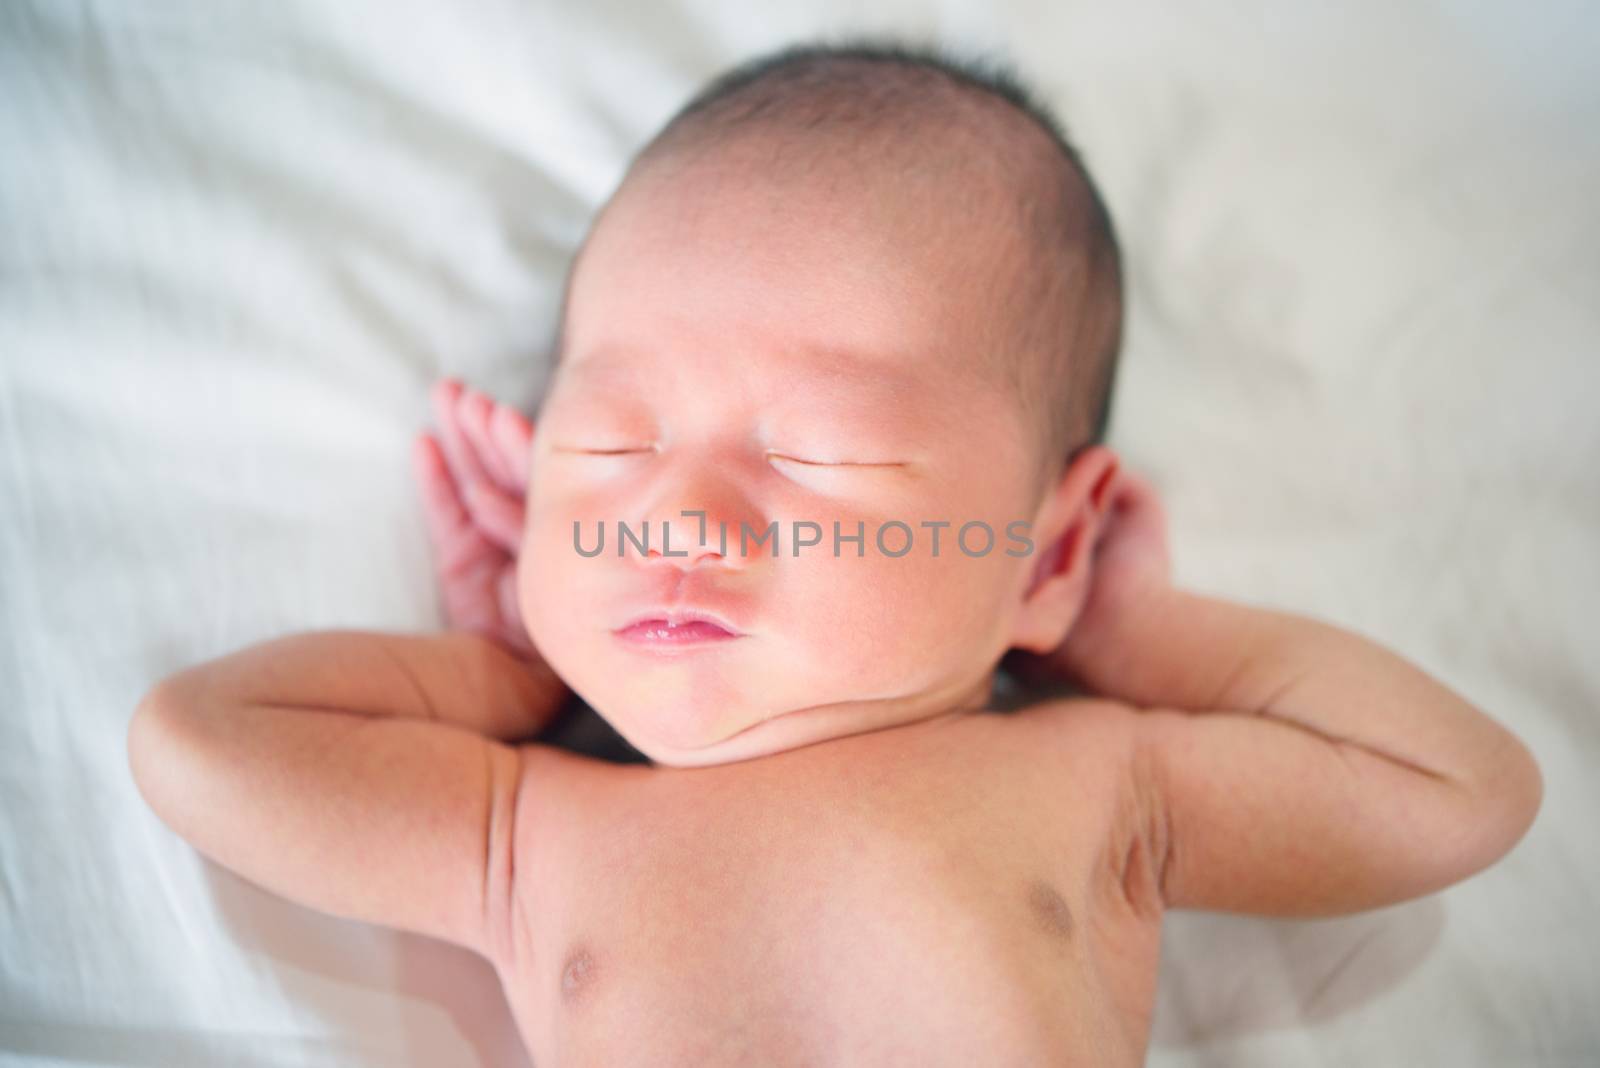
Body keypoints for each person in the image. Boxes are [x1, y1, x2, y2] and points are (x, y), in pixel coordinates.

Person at [127, 39, 1543, 1066]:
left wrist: (1123, 630)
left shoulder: (1095, 776)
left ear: (1045, 546)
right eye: (609, 447)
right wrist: (513, 654)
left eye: (821, 454)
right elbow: (202, 740)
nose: (676, 519)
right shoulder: (524, 827)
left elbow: (1458, 794)